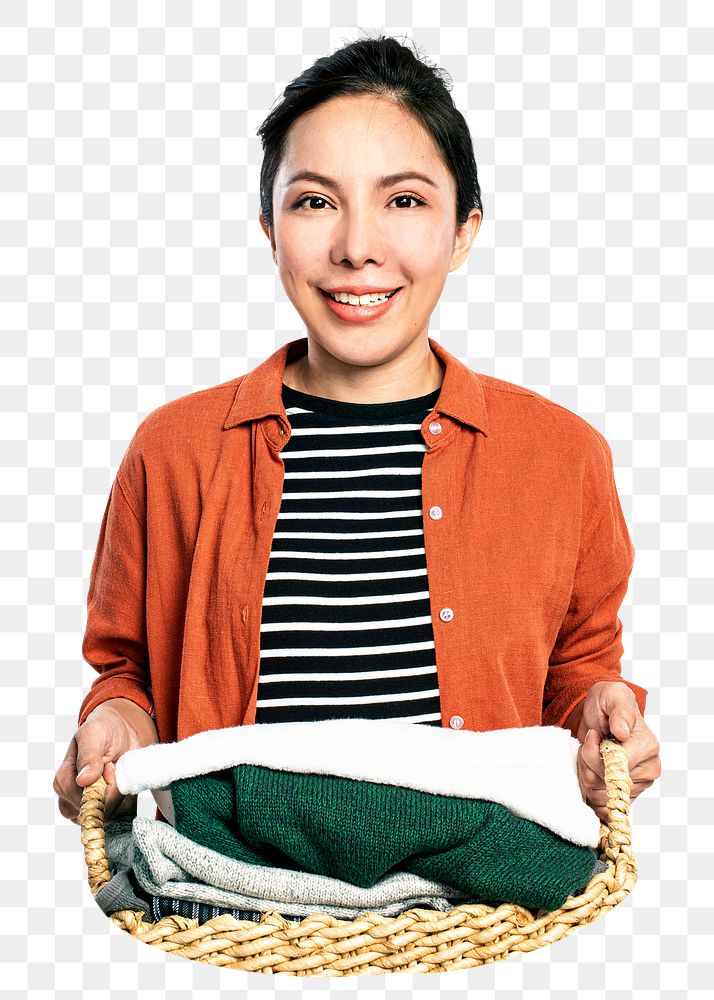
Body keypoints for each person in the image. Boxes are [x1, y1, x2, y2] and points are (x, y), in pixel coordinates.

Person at [54, 33, 660, 890]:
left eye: (405, 201)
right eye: (314, 203)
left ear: (462, 232)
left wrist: (603, 732)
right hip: (226, 894)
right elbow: (128, 674)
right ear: (270, 228)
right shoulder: (176, 450)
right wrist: (113, 725)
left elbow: (576, 677)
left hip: (485, 911)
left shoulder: (563, 457)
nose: (358, 248)